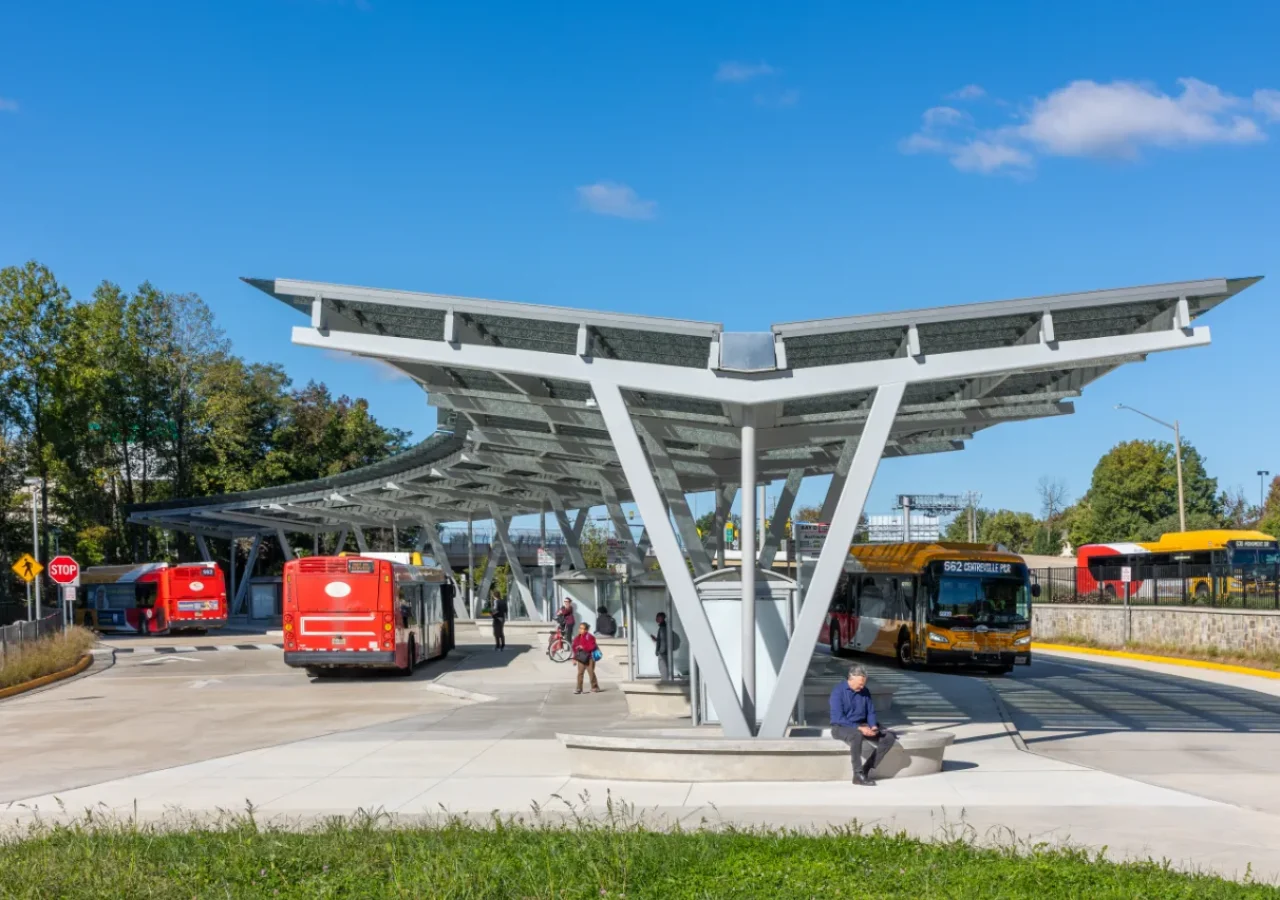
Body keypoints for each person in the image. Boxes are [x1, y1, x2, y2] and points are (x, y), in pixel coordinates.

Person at [830, 664, 896, 786]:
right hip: (841, 726)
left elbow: (870, 712)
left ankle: (866, 769)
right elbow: (838, 718)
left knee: (889, 737)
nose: (862, 686)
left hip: (863, 724)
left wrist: (873, 726)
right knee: (856, 736)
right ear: (851, 678)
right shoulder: (838, 692)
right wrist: (859, 728)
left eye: (864, 683)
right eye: (860, 683)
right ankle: (857, 774)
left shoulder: (865, 691)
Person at [571, 622, 601, 694]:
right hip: (581, 658)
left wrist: (583, 647)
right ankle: (579, 688)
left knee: (590, 672)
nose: (580, 630)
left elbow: (592, 646)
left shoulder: (590, 637)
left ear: (586, 630)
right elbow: (574, 648)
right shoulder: (577, 638)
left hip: (590, 658)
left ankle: (595, 687)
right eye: (580, 628)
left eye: (582, 628)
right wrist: (574, 658)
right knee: (580, 673)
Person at [651, 612, 674, 680]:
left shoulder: (663, 628)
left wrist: (661, 651)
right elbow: (663, 639)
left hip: (663, 653)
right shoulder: (663, 627)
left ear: (662, 618)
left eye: (658, 617)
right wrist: (656, 639)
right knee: (664, 669)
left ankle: (666, 685)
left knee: (663, 670)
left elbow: (664, 641)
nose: (656, 619)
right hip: (664, 653)